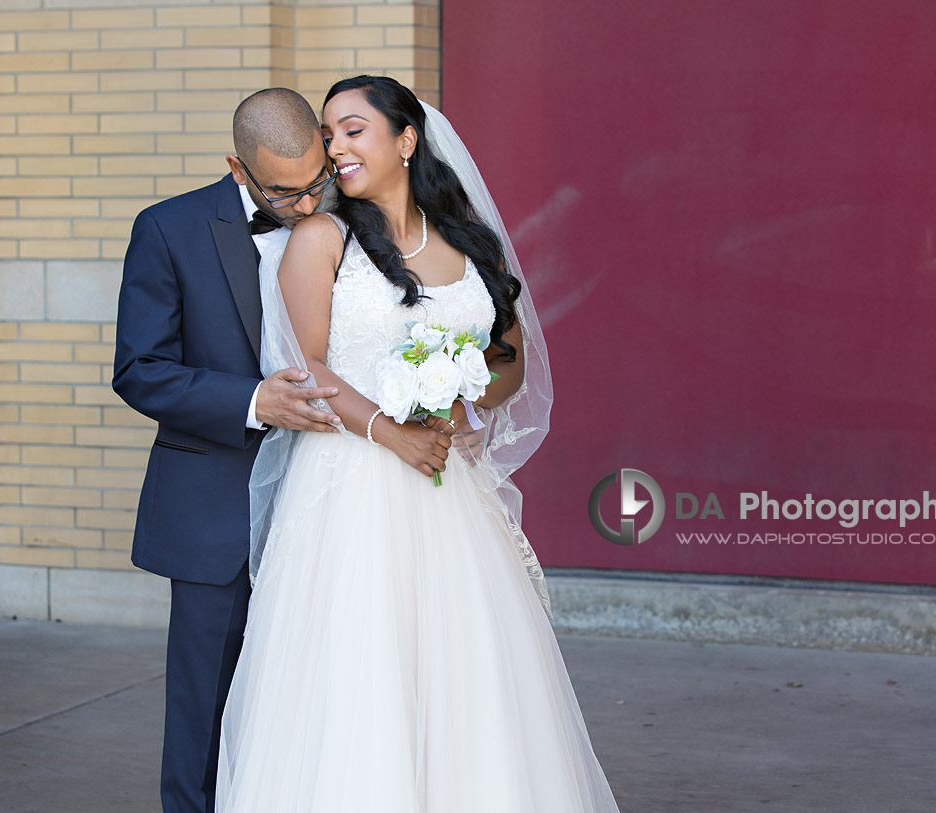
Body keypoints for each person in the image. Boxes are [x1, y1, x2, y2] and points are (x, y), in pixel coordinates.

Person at [215, 76, 622, 811]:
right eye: (329, 134)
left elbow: (507, 359)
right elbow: (309, 369)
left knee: (465, 675)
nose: (335, 146)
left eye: (352, 130)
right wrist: (390, 433)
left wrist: (469, 398)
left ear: (405, 141)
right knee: (361, 679)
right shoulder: (320, 238)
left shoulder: (466, 241)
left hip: (446, 489)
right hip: (350, 486)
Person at [112, 88, 345, 813]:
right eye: (286, 192)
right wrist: (251, 402)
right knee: (204, 697)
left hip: (332, 496)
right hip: (215, 509)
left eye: (318, 182)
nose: (308, 206)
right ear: (237, 169)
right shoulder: (168, 229)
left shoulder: (349, 221)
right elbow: (139, 368)